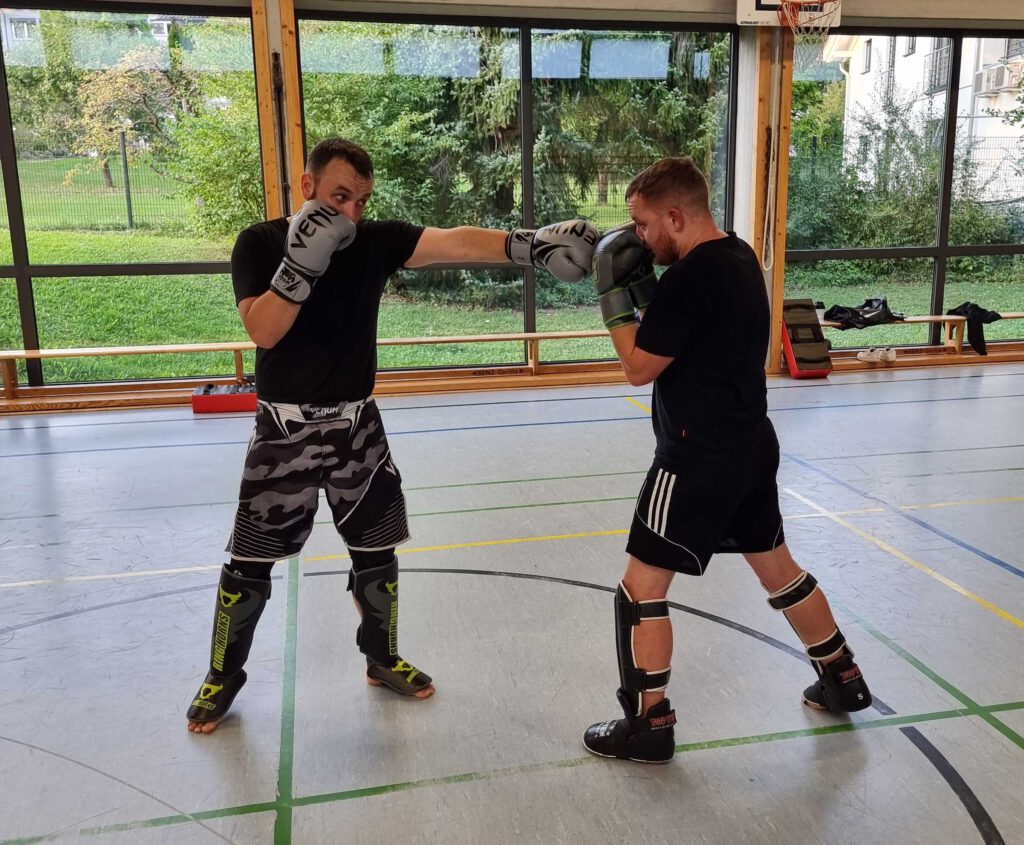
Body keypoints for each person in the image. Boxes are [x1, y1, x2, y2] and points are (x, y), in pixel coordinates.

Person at [187, 137, 599, 733]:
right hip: (284, 430)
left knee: (377, 553)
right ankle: (222, 676)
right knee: (249, 562)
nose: (351, 212)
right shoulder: (260, 242)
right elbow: (264, 331)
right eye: (339, 196)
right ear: (307, 187)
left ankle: (380, 659)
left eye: (360, 200)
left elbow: (453, 240)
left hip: (358, 424)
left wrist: (528, 245)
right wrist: (302, 264)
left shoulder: (374, 241)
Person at [582, 157, 871, 763]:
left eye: (642, 225)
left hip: (694, 457)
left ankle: (649, 723)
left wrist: (612, 294)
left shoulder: (690, 280)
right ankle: (842, 677)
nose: (638, 237)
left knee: (639, 589)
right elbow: (687, 332)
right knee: (779, 570)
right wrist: (643, 288)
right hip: (749, 446)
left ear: (676, 215)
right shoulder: (738, 259)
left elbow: (639, 367)